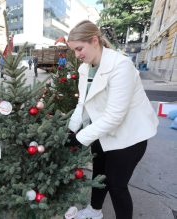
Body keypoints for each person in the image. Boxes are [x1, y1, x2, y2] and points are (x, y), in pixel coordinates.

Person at [66, 20, 158, 219]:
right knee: (99, 175)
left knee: (117, 185)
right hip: (102, 131)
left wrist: (80, 138)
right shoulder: (85, 68)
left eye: (79, 48)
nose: (77, 55)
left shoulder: (120, 66)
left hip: (129, 137)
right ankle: (94, 210)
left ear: (94, 40)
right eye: (73, 50)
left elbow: (115, 116)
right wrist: (72, 129)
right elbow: (83, 103)